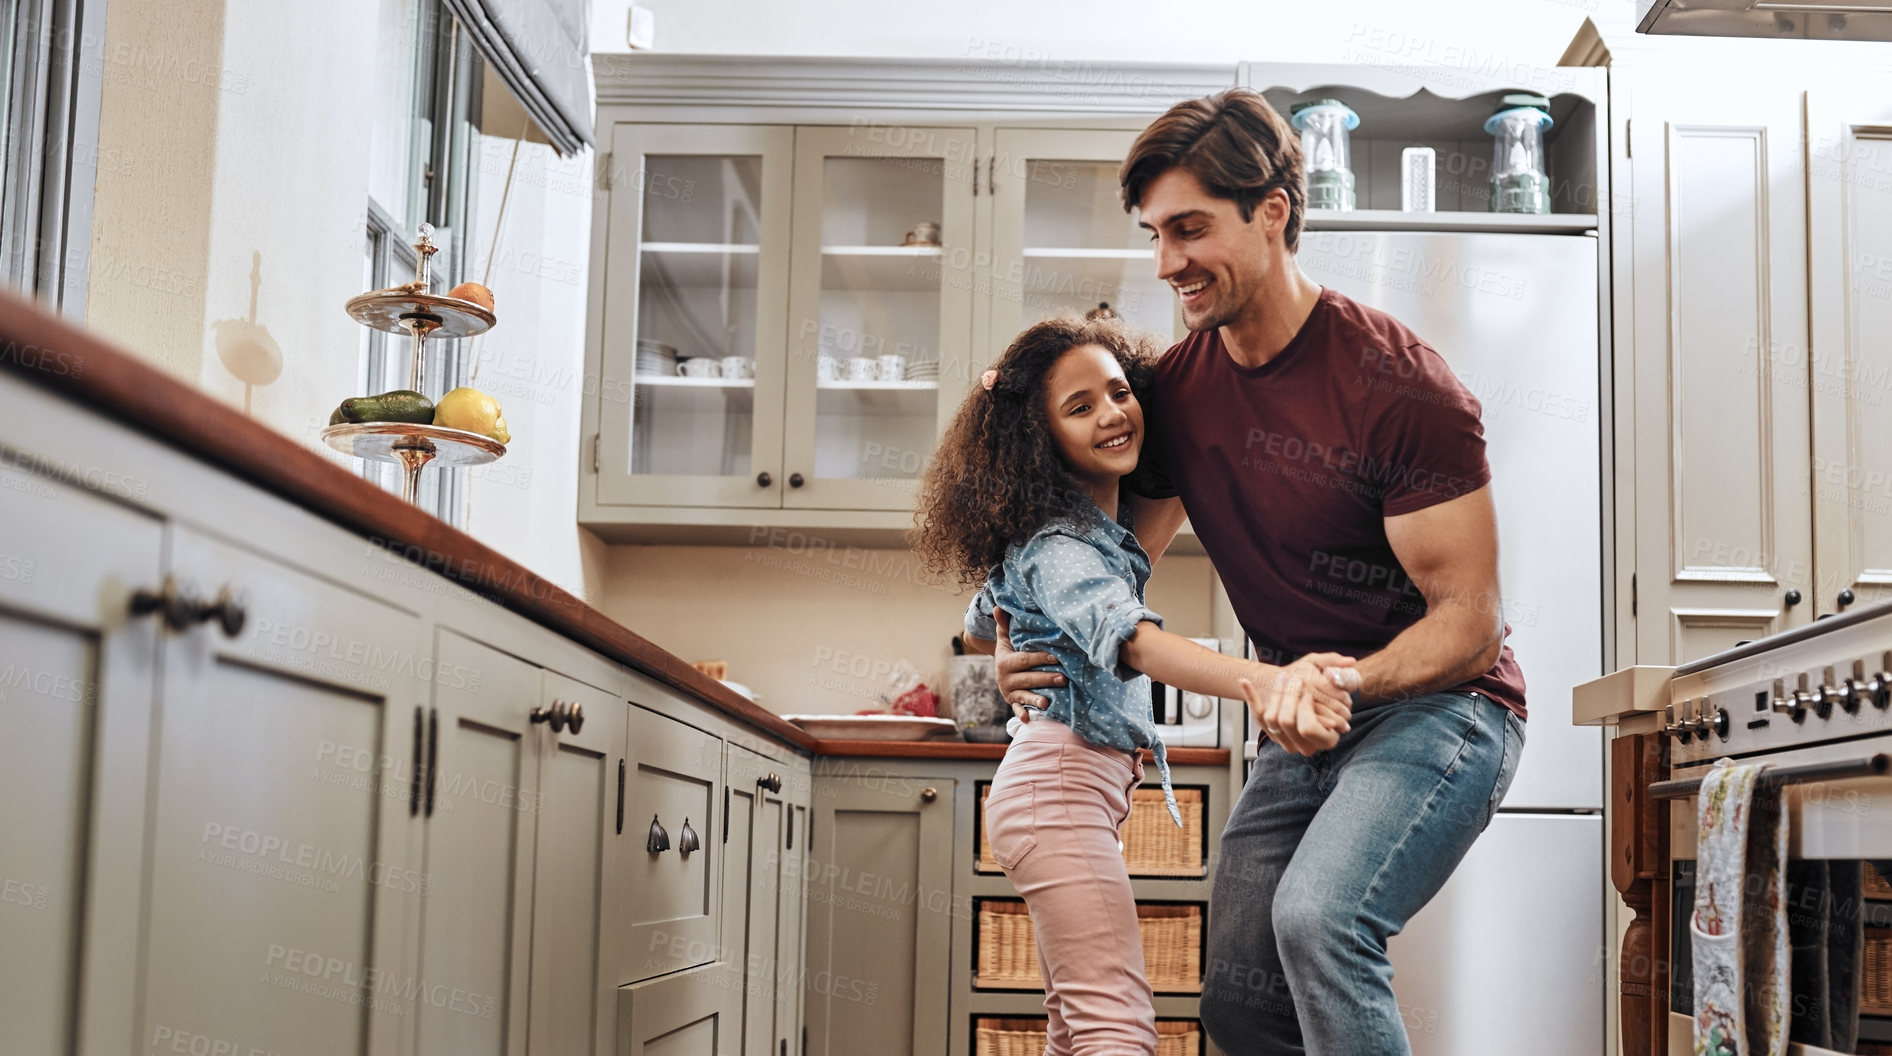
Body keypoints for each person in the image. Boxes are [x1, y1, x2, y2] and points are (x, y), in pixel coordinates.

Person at [994, 89, 1529, 1056]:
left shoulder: (1403, 387)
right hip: (1300, 721)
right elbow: (1111, 578)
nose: (1167, 264)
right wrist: (1017, 651)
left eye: (1191, 229)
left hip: (1444, 708)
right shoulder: (1182, 391)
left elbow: (1471, 620)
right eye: (1155, 233)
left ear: (1273, 209)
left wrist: (1339, 679)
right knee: (1240, 995)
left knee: (1318, 922)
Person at [913, 313, 1359, 1056]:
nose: (1113, 413)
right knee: (1116, 1029)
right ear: (1038, 440)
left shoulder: (1093, 534)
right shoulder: (1061, 547)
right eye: (1080, 407)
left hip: (1066, 792)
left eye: (1119, 392)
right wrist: (1262, 680)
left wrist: (997, 652)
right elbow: (1135, 642)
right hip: (1058, 788)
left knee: (1076, 1028)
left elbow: (982, 622)